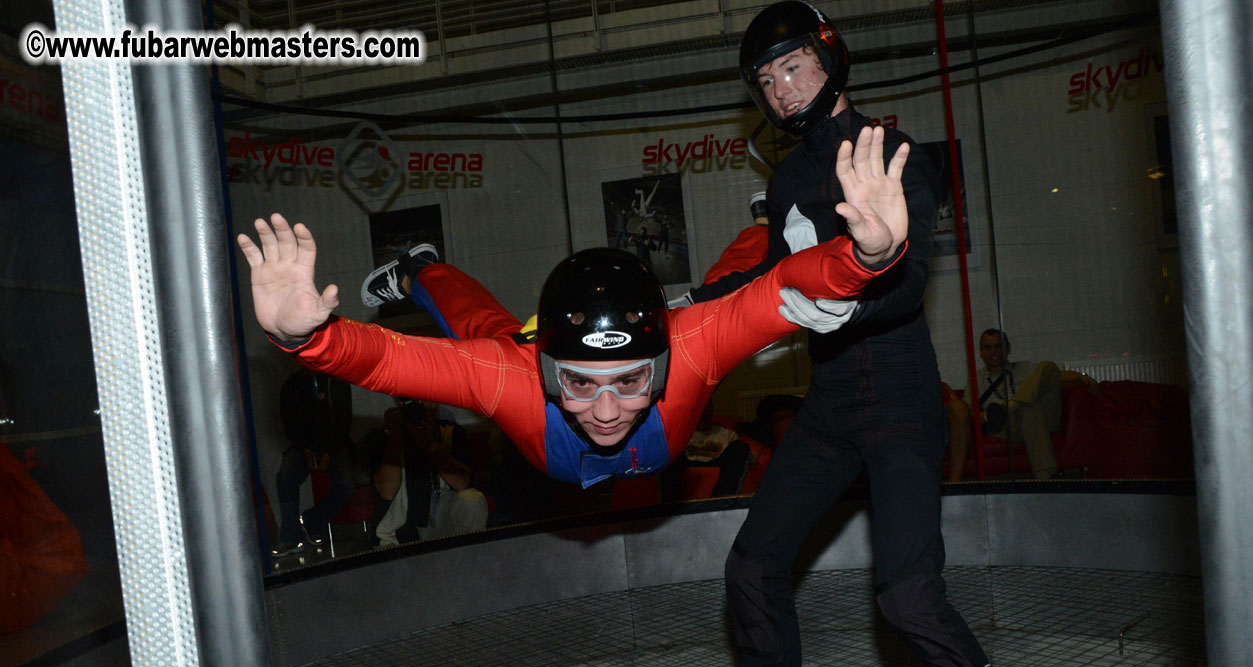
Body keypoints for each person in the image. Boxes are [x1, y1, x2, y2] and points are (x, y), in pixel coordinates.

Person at [685, 5, 1025, 667]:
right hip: (832, 405)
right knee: (751, 569)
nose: (778, 88)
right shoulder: (787, 180)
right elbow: (766, 279)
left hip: (902, 399)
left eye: (790, 67)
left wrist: (857, 285)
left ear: (830, 60)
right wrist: (684, 318)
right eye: (764, 81)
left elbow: (904, 286)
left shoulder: (889, 155)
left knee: (906, 595)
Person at [238, 126, 909, 491]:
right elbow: (389, 359)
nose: (611, 411)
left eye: (630, 381)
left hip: (660, 350)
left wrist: (866, 258)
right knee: (487, 335)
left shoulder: (690, 342)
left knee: (730, 298)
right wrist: (308, 341)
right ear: (547, 369)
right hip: (530, 366)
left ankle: (760, 225)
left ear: (664, 359)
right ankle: (420, 267)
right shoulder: (516, 372)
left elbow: (780, 290)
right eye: (580, 384)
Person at [955, 328, 1096, 480]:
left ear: (1007, 348)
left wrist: (1082, 376)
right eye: (988, 347)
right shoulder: (976, 380)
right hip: (1008, 426)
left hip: (1038, 419)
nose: (993, 351)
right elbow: (966, 415)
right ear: (981, 352)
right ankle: (1044, 475)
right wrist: (987, 416)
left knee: (1047, 366)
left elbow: (1055, 375)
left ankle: (1013, 405)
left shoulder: (1024, 368)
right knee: (1030, 407)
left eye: (998, 346)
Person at [364, 398, 488, 544]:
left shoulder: (451, 432)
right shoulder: (384, 436)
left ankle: (465, 561)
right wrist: (396, 438)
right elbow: (386, 491)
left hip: (444, 515)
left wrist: (430, 444)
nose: (419, 407)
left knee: (473, 500)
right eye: (411, 401)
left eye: (424, 399)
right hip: (402, 523)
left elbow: (461, 483)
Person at [273, 367, 358, 557]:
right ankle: (290, 538)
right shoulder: (292, 385)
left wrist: (328, 451)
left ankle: (312, 521)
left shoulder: (336, 380)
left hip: (334, 444)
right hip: (304, 444)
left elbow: (344, 421)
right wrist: (305, 448)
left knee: (349, 484)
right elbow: (290, 423)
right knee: (285, 476)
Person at [659, 399, 753, 502]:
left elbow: (746, 455)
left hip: (717, 462)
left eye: (707, 407)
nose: (703, 412)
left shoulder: (726, 434)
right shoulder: (681, 433)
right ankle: (670, 504)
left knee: (740, 447)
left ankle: (720, 500)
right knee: (668, 451)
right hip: (687, 463)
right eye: (700, 408)